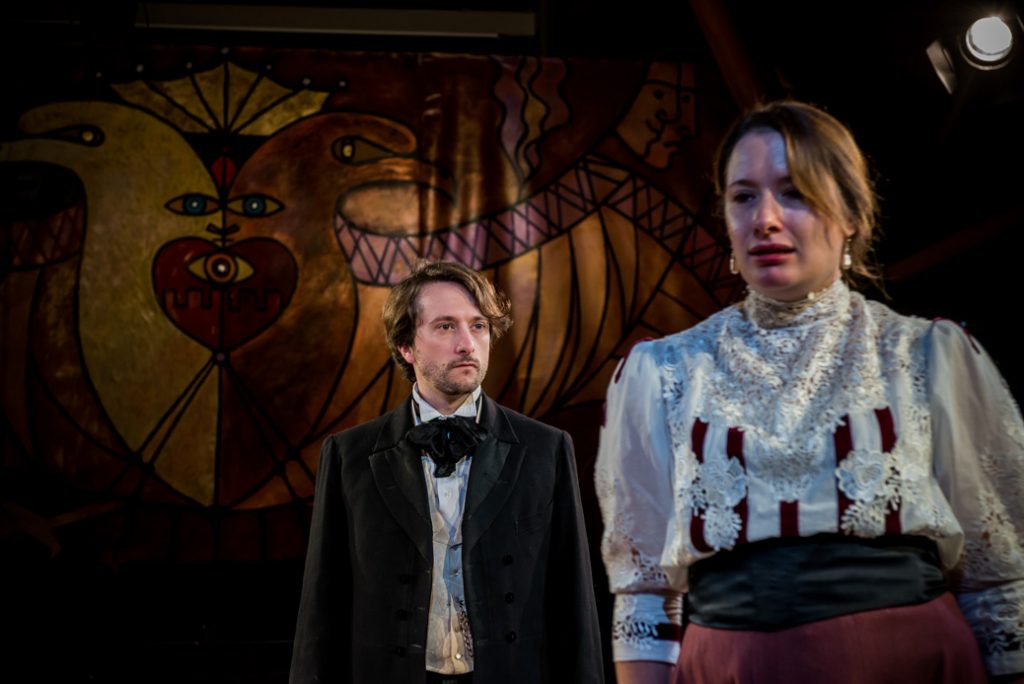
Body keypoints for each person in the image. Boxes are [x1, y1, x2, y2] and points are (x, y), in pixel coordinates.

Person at [595, 101, 1024, 683]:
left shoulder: (925, 356)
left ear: (850, 212)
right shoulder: (665, 371)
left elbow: (997, 577)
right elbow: (642, 590)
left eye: (794, 192)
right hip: (731, 667)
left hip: (911, 661)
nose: (765, 218)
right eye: (743, 196)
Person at [290, 261, 604, 684]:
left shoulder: (545, 449)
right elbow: (321, 611)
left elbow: (574, 604)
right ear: (406, 345)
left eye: (478, 326)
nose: (467, 344)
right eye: (445, 327)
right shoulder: (350, 455)